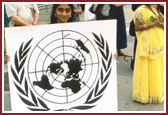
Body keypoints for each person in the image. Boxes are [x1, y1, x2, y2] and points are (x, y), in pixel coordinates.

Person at [133, 4, 164, 104]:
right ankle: (143, 95)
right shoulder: (141, 10)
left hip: (158, 44)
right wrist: (153, 23)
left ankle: (156, 94)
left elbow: (163, 26)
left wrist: (161, 23)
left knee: (157, 68)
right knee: (144, 69)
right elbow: (137, 27)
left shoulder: (159, 9)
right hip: (145, 46)